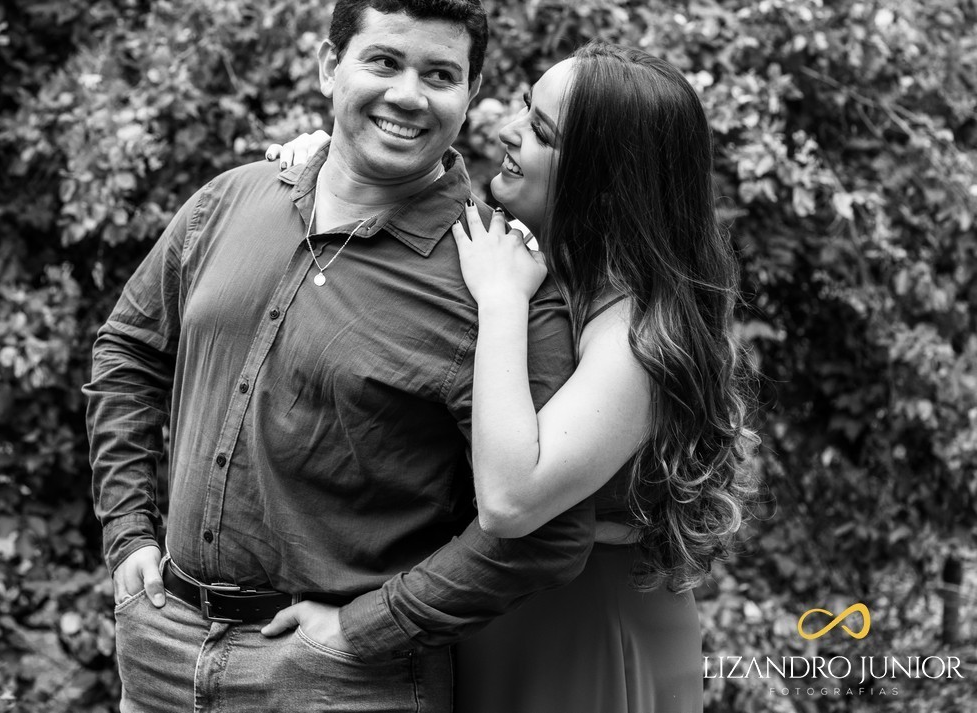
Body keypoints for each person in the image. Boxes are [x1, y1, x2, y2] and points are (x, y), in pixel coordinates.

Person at [84, 0, 595, 713]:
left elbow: (545, 531)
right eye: (383, 62)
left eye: (439, 75)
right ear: (330, 66)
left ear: (470, 94)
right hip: (160, 648)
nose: (408, 95)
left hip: (342, 682)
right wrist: (129, 531)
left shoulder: (499, 280)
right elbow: (128, 351)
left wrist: (369, 627)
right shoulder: (231, 199)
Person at [272, 41, 758, 712]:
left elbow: (509, 500)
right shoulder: (539, 258)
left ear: (604, 180)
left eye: (541, 132)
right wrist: (335, 165)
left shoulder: (640, 331)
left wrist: (503, 303)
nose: (508, 128)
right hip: (488, 619)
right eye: (526, 105)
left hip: (582, 640)